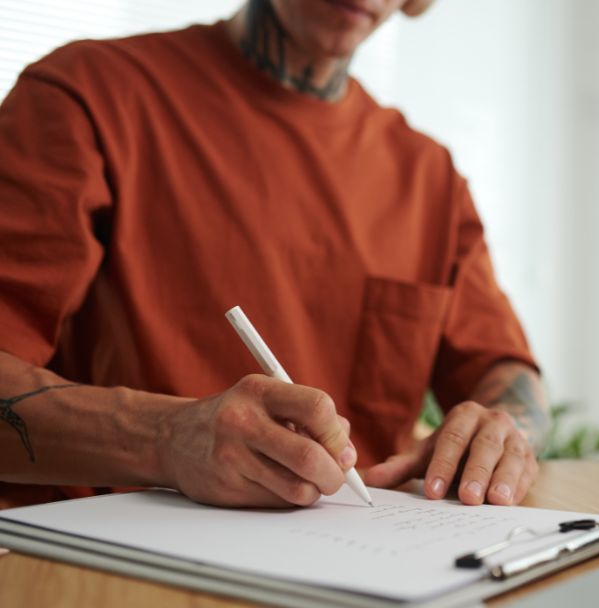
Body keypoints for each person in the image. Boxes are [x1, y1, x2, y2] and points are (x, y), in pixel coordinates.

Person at [0, 0, 549, 509]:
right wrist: (165, 436)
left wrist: (505, 432)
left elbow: (505, 373)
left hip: (362, 562)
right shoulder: (86, 97)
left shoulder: (429, 180)